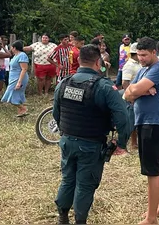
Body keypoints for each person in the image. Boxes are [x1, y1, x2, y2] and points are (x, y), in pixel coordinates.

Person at [53, 44, 131, 225]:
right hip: (91, 144)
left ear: (79, 60)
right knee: (85, 184)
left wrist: (65, 131)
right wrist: (121, 142)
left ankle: (62, 217)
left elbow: (56, 113)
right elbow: (123, 118)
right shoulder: (104, 86)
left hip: (67, 141)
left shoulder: (64, 82)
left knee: (68, 179)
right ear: (98, 62)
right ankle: (80, 221)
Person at [123, 37, 159, 225]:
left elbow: (135, 90)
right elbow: (127, 93)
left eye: (144, 55)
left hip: (155, 122)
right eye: (138, 55)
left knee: (151, 170)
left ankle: (151, 218)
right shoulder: (144, 69)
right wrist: (141, 91)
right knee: (156, 166)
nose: (141, 58)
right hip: (146, 121)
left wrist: (139, 90)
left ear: (154, 52)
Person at [1, 40, 30, 117]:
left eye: (11, 47)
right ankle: (21, 111)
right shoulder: (15, 56)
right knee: (17, 95)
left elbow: (24, 69)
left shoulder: (22, 55)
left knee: (12, 94)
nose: (11, 49)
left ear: (14, 48)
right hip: (13, 78)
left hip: (18, 78)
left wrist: (19, 82)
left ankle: (23, 108)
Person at [121, 44, 141, 151]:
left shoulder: (139, 64)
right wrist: (131, 97)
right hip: (131, 98)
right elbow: (125, 83)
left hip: (137, 97)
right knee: (130, 123)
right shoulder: (129, 65)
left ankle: (134, 143)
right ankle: (122, 145)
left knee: (135, 122)